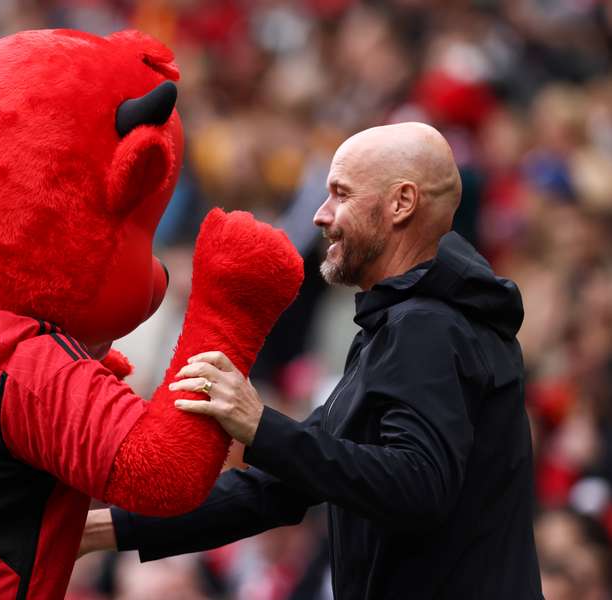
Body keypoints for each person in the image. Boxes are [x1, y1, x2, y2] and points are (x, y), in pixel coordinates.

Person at [80, 122, 545, 599]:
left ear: (401, 204)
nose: (321, 216)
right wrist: (99, 530)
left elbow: (418, 486)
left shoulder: (428, 327)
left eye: (340, 194)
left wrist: (260, 425)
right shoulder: (399, 325)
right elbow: (278, 488)